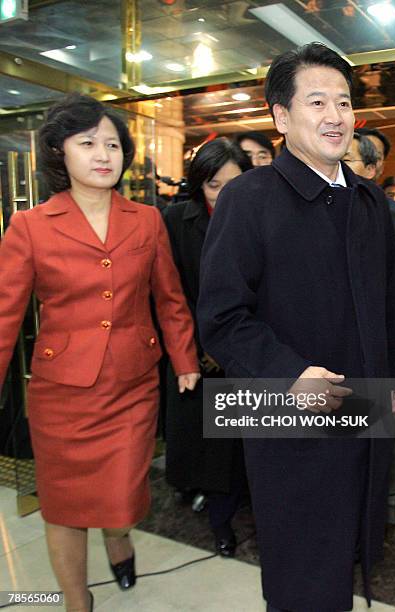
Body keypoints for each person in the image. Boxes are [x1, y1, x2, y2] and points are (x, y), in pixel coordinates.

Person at [197, 43, 395, 611]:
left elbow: (391, 303)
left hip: (362, 412)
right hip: (290, 416)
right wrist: (289, 375)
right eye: (317, 101)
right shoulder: (248, 199)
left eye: (343, 102)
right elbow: (221, 317)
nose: (335, 115)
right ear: (281, 116)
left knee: (350, 551)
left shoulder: (371, 202)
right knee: (302, 572)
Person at [0, 93, 199, 612]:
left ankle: (118, 536)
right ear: (59, 154)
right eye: (87, 143)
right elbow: (3, 315)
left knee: (121, 497)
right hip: (61, 395)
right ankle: (75, 599)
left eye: (111, 143)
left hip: (132, 386)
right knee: (63, 507)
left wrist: (185, 360)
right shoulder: (29, 227)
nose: (102, 154)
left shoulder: (147, 220)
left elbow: (170, 297)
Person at [163, 138, 253, 556]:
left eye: (233, 184)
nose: (224, 194)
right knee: (210, 448)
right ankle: (221, 524)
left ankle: (241, 512)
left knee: (244, 445)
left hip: (249, 350)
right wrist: (198, 347)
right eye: (214, 185)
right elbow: (171, 293)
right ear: (200, 184)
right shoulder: (177, 220)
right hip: (196, 354)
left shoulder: (262, 218)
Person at [344, 134, 395, 290]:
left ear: (370, 169)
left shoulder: (394, 222)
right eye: (332, 161)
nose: (337, 168)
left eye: (346, 161)